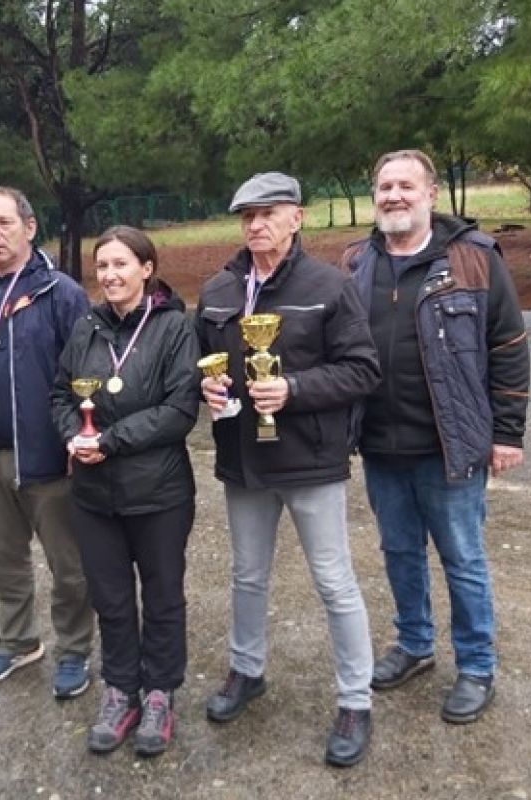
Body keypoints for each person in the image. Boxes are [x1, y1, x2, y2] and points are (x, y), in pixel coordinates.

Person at [195, 172, 381, 767]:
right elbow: (203, 362)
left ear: (296, 218)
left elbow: (362, 369)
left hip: (310, 459)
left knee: (334, 581)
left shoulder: (329, 285)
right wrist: (209, 387)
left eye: (268, 214)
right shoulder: (219, 289)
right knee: (247, 575)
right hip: (243, 460)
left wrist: (293, 389)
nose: (255, 225)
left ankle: (355, 699)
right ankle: (247, 670)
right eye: (247, 216)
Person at [340, 149, 529, 724]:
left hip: (451, 445)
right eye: (384, 187)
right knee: (399, 552)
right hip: (380, 445)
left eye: (406, 185)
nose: (394, 196)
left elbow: (508, 347)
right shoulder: (355, 263)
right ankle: (415, 644)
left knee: (462, 558)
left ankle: (477, 666)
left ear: (431, 194)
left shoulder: (474, 259)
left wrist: (507, 433)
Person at [50, 226, 200, 758]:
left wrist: (108, 441)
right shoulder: (85, 328)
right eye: (103, 266)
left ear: (146, 268)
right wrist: (73, 434)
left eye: (121, 264)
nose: (110, 275)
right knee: (111, 600)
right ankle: (120, 691)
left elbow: (179, 409)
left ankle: (159, 693)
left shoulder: (174, 327)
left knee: (162, 597)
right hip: (94, 497)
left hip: (159, 494)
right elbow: (60, 394)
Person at [0, 186, 95, 699]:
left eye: (4, 222)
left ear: (29, 228)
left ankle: (74, 649)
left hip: (48, 456)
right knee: (4, 559)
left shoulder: (60, 292)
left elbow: (86, 372)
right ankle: (19, 640)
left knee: (68, 565)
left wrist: (79, 438)